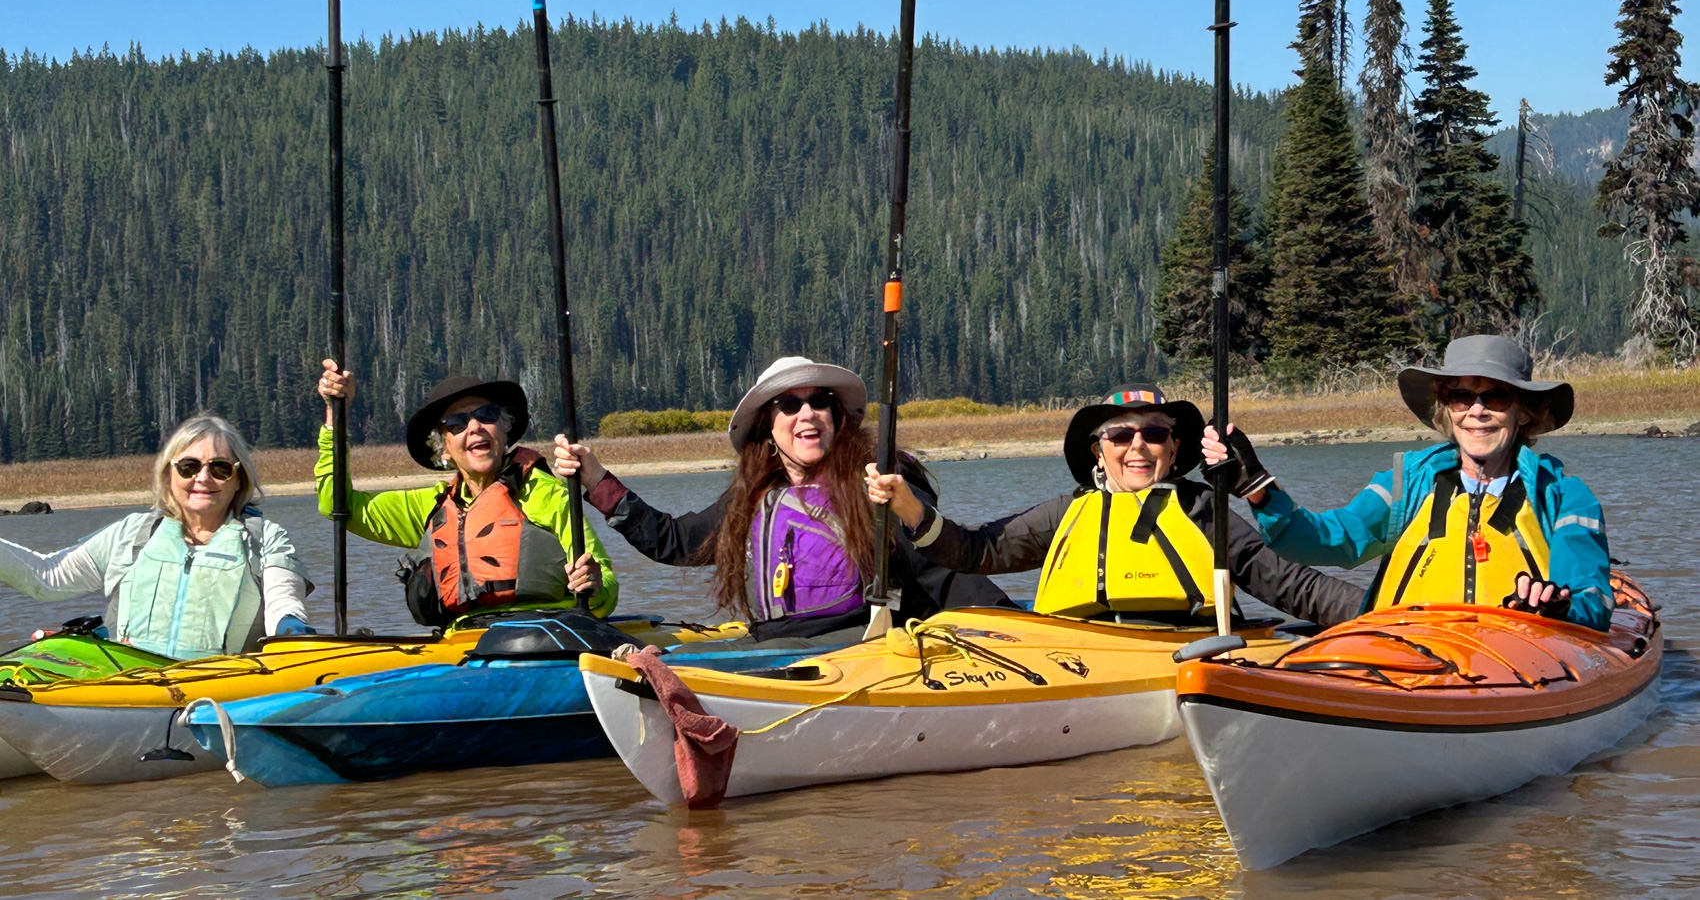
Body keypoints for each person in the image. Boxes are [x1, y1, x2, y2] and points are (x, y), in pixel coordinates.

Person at [553, 356, 1012, 640]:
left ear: (836, 415)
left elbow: (940, 566)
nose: (807, 413)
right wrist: (597, 479)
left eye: (820, 401)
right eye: (789, 406)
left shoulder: (877, 477)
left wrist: (1001, 623)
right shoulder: (754, 498)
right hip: (782, 638)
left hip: (865, 640)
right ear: (768, 429)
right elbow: (674, 541)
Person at [1203, 334, 1613, 630]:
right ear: (1446, 409)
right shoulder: (1405, 484)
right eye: (1461, 397)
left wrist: (1560, 608)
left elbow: (1590, 599)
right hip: (1405, 655)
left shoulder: (1564, 496)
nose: (1478, 410)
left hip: (1518, 658)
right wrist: (1258, 489)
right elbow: (1324, 540)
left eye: (1497, 397)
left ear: (1524, 412)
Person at [865, 384, 1365, 627]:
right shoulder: (1065, 513)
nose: (1138, 447)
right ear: (1097, 450)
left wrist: (1380, 611)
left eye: (1154, 434)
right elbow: (975, 552)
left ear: (1173, 449)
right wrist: (908, 506)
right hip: (1085, 658)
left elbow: (1292, 586)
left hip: (1184, 654)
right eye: (1121, 434)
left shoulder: (1203, 511)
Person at [316, 363, 617, 623]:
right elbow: (337, 505)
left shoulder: (547, 495)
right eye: (456, 424)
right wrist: (335, 416)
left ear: (505, 428)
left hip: (544, 633)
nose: (474, 428)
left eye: (486, 415)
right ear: (442, 447)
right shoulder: (430, 506)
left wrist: (594, 584)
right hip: (463, 647)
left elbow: (606, 587)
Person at [0, 415, 313, 659]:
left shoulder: (266, 539)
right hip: (131, 689)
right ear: (169, 474)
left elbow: (283, 608)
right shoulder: (132, 533)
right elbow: (47, 577)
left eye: (219, 469)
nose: (202, 478)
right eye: (188, 467)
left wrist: (295, 636)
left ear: (238, 479)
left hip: (218, 695)